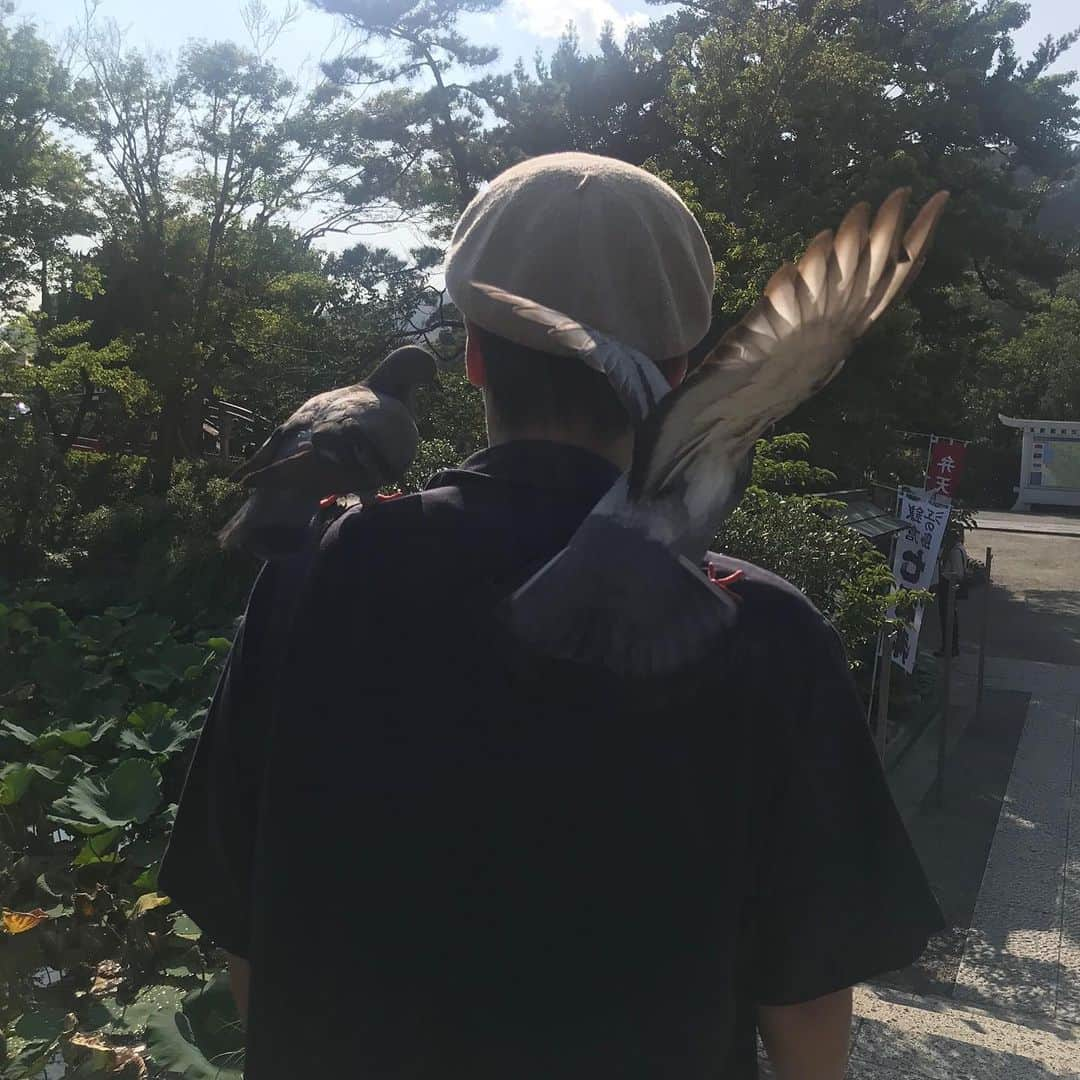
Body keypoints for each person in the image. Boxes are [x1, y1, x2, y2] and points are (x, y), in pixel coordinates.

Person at [160, 153, 944, 1080]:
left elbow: (244, 940)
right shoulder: (766, 630)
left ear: (472, 354)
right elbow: (807, 998)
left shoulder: (313, 578)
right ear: (686, 364)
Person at [934, 527, 968, 658]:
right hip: (949, 585)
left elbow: (958, 573)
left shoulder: (955, 551)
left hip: (949, 585)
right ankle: (950, 647)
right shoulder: (959, 549)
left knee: (948, 619)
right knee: (950, 618)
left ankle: (949, 648)